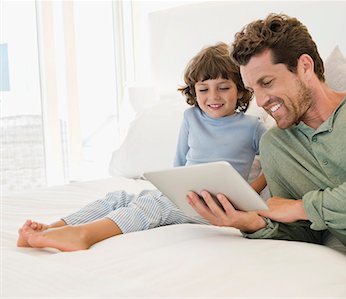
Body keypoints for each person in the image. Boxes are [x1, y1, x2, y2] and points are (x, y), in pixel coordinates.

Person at [186, 13, 346, 249]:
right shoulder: (276, 146)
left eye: (267, 82)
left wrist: (302, 207)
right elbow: (303, 230)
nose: (261, 100)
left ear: (305, 66)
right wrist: (250, 222)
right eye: (254, 90)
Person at [17, 42, 267, 252]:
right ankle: (55, 227)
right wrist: (175, 190)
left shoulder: (252, 127)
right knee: (120, 197)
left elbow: (271, 166)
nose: (213, 97)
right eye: (204, 89)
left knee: (152, 206)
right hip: (187, 198)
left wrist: (247, 193)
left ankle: (84, 235)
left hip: (218, 208)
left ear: (241, 89)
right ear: (194, 91)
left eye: (224, 88)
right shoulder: (191, 118)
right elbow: (179, 166)